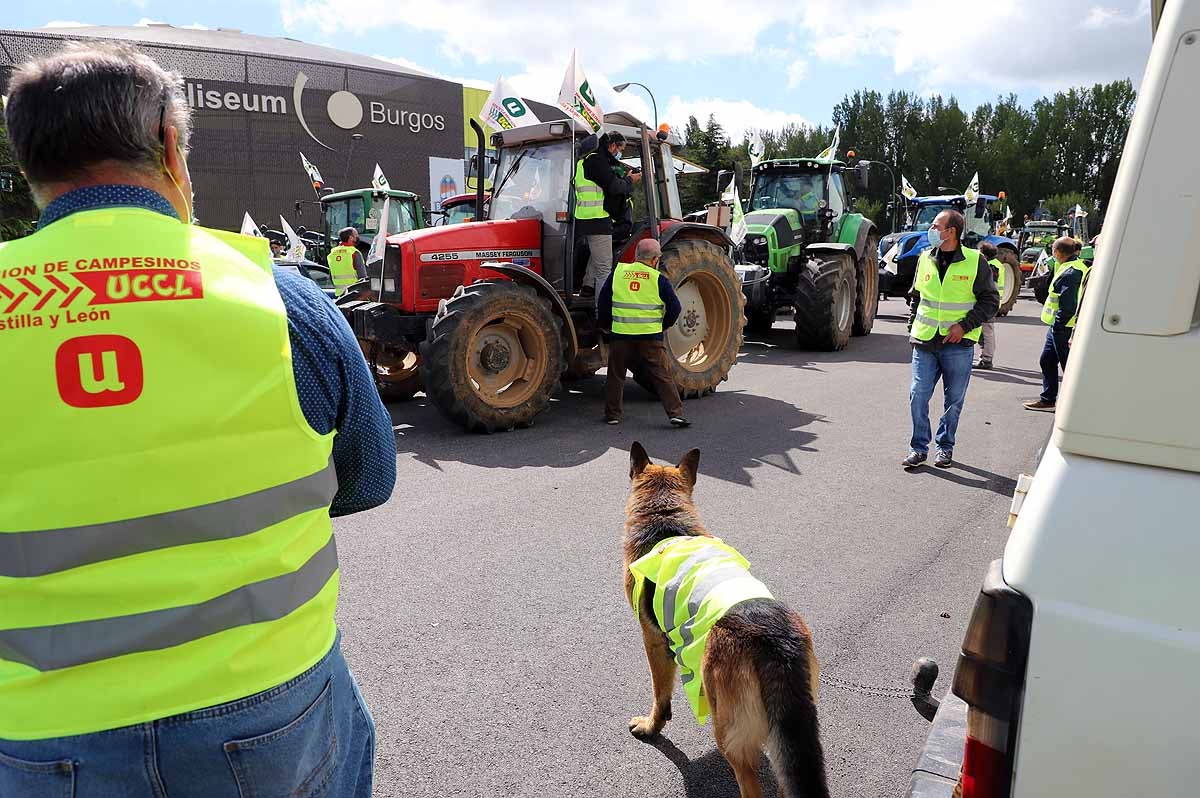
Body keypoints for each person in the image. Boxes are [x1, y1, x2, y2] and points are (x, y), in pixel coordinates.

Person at [0, 42, 395, 797]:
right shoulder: (283, 302)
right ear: (170, 144)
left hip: (40, 733)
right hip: (271, 705)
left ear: (30, 166)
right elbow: (369, 480)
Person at [902, 209, 999, 469]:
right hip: (924, 342)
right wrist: (912, 326)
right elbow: (917, 296)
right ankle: (918, 447)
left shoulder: (975, 261)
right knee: (918, 395)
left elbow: (991, 301)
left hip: (958, 344)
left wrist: (964, 326)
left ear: (951, 231)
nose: (932, 230)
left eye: (936, 225)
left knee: (953, 400)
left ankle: (944, 447)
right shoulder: (925, 258)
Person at [599, 238, 689, 428]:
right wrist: (663, 325)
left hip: (621, 335)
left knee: (616, 375)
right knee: (661, 375)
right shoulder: (659, 279)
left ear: (635, 256)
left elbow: (603, 302)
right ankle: (675, 414)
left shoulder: (618, 274)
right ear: (655, 260)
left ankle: (613, 415)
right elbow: (675, 307)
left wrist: (606, 325)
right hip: (650, 337)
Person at [1024, 237, 1089, 412]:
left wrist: (1058, 326)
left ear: (1057, 252)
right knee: (1047, 361)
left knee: (1068, 366)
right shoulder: (1074, 266)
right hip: (1059, 326)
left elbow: (1068, 305)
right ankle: (1048, 399)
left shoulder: (1070, 272)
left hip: (1063, 327)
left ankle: (1075, 406)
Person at [576, 131, 640, 298]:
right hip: (597, 220)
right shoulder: (596, 161)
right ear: (612, 146)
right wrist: (630, 181)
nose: (621, 154)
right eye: (621, 149)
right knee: (604, 269)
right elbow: (614, 187)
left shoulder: (586, 161)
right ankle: (602, 315)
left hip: (586, 220)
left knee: (598, 256)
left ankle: (588, 287)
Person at [974, 241, 1004, 370]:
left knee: (986, 332)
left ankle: (986, 359)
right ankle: (985, 356)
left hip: (989, 303)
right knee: (985, 332)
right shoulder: (996, 264)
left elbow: (989, 286)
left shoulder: (990, 266)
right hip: (993, 302)